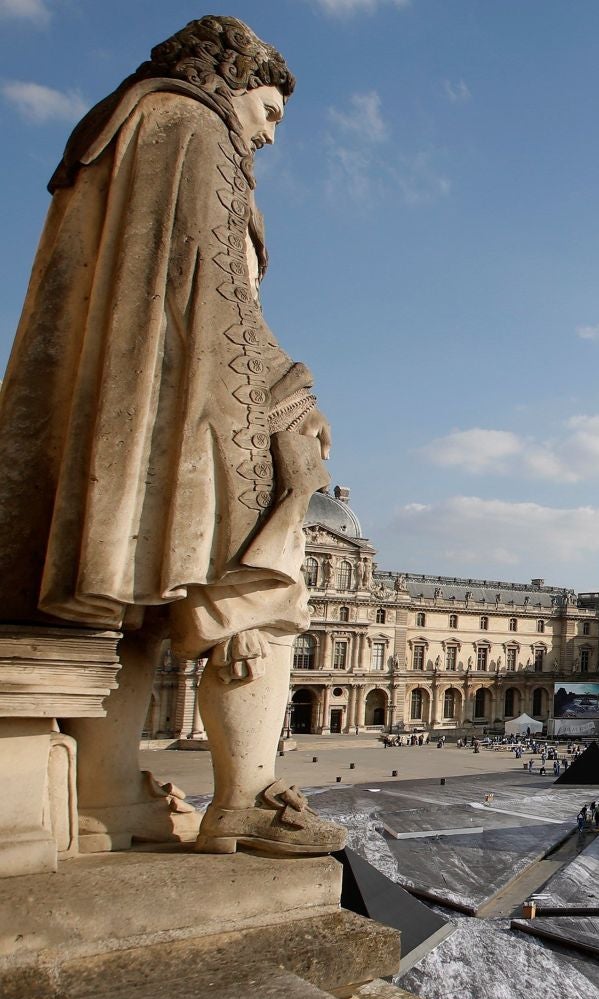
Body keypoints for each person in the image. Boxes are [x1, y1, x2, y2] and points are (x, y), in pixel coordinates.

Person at [0, 16, 343, 856]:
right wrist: (287, 393)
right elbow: (219, 298)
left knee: (130, 609)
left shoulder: (120, 130)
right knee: (261, 592)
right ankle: (248, 795)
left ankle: (106, 794)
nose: (269, 130)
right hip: (199, 413)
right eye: (269, 110)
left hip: (118, 421)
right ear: (233, 77)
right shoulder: (197, 130)